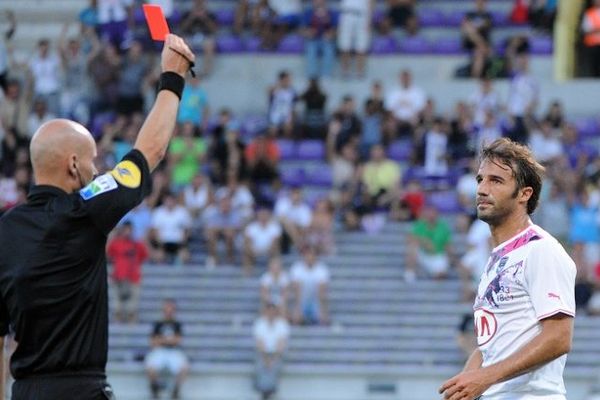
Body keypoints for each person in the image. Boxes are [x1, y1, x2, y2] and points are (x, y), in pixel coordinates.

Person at [0, 34, 194, 399]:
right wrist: (173, 77)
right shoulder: (85, 208)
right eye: (91, 161)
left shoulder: (3, 232)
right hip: (81, 390)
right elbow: (149, 151)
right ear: (73, 164)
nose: (96, 169)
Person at [439, 138, 576, 400]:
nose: (482, 189)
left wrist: (486, 377)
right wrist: (462, 386)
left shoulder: (541, 249)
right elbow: (490, 346)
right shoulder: (497, 259)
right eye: (480, 179)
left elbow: (559, 337)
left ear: (525, 194)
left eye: (496, 181)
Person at [145, 299, 189, 400]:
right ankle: (155, 389)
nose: (169, 310)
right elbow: (152, 342)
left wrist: (161, 340)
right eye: (167, 308)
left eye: (171, 308)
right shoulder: (158, 323)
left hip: (174, 351)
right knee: (150, 366)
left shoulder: (177, 324)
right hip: (159, 351)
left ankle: (176, 391)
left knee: (184, 367)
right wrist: (169, 340)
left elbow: (178, 341)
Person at [107, 221, 148, 323]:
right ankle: (118, 324)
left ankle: (132, 325)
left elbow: (144, 256)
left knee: (132, 307)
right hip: (118, 277)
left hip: (133, 278)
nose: (127, 232)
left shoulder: (137, 244)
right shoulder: (116, 243)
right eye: (125, 229)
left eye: (129, 230)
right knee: (117, 307)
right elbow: (107, 253)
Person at [253, 302, 290, 400]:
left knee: (274, 366)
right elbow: (259, 343)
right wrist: (266, 359)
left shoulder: (282, 324)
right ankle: (263, 390)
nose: (271, 313)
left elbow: (281, 344)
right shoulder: (260, 323)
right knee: (260, 365)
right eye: (269, 311)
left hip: (277, 354)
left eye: (273, 311)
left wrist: (273, 359)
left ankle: (270, 390)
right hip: (263, 353)